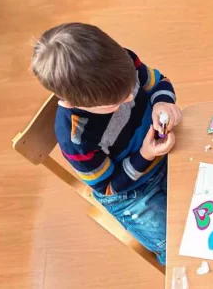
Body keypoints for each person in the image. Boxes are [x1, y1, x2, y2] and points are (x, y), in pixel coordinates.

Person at [30, 23, 182, 265]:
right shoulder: (76, 138)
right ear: (72, 102)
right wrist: (145, 154)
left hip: (164, 154)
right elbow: (110, 187)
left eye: (129, 87)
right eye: (116, 102)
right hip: (131, 193)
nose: (130, 97)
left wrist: (163, 103)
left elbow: (158, 83)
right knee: (178, 245)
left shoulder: (123, 63)